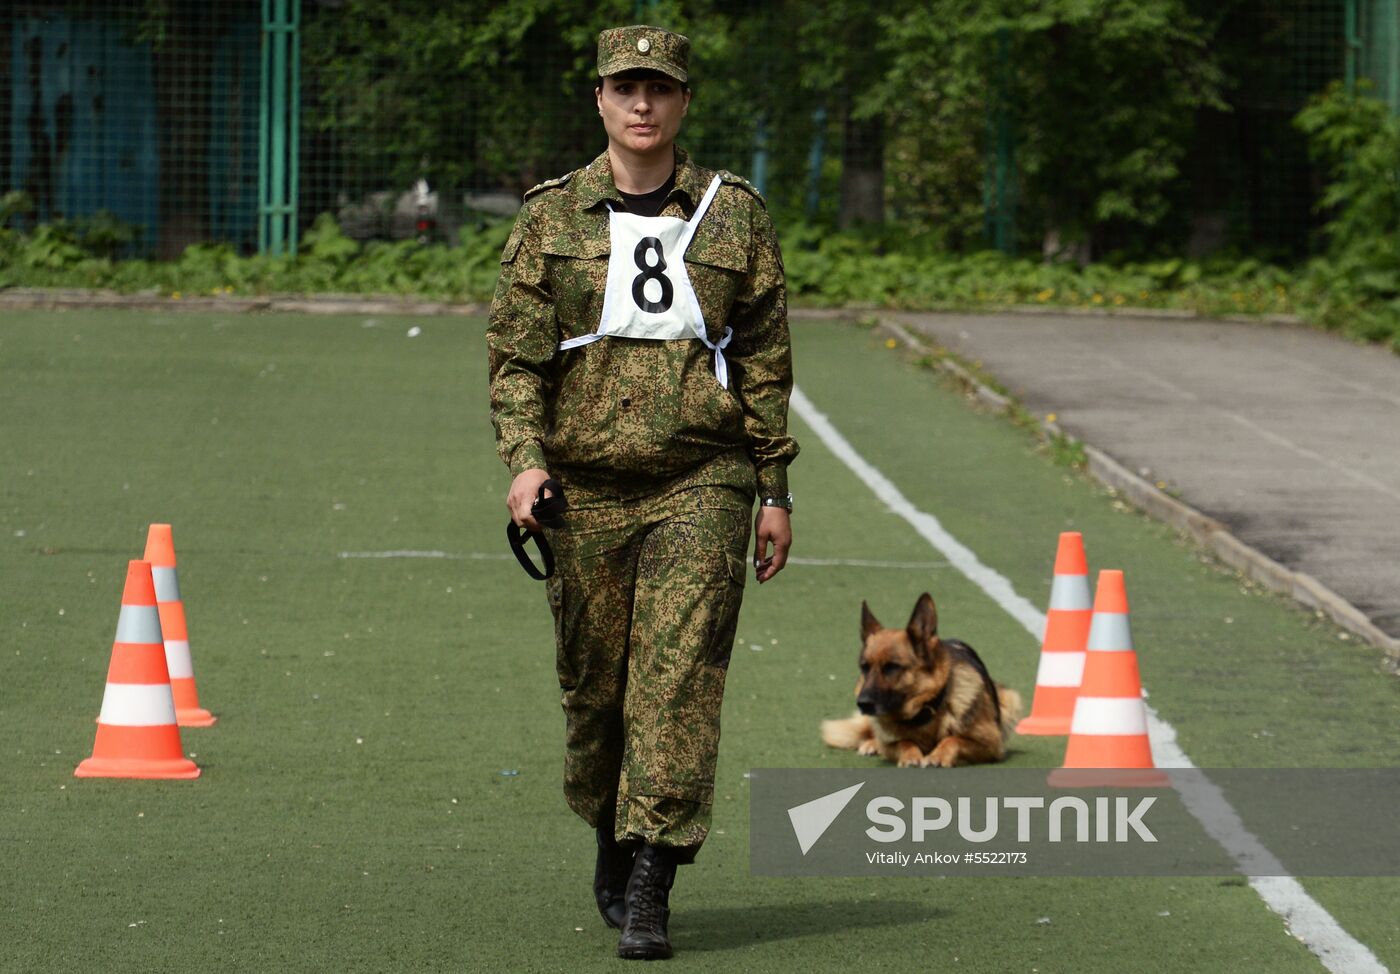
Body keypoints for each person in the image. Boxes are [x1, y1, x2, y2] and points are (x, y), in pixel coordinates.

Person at [487, 23, 798, 962]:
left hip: (702, 478)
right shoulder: (550, 217)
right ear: (599, 99)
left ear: (683, 102)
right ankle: (610, 833)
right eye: (626, 87)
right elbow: (514, 359)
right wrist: (524, 459)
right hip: (582, 490)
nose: (642, 104)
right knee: (598, 693)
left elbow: (766, 358)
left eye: (659, 88)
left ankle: (656, 874)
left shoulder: (735, 215)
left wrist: (773, 485)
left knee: (677, 681)